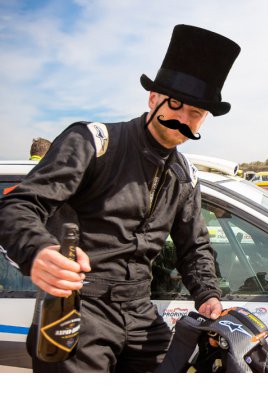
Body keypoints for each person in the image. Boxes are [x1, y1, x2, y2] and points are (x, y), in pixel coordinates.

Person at [0, 24, 241, 372]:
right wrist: (39, 251)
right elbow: (18, 206)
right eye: (176, 105)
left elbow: (194, 247)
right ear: (153, 98)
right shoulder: (94, 143)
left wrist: (208, 295)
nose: (183, 119)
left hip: (142, 315)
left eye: (195, 113)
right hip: (78, 307)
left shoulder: (184, 174)